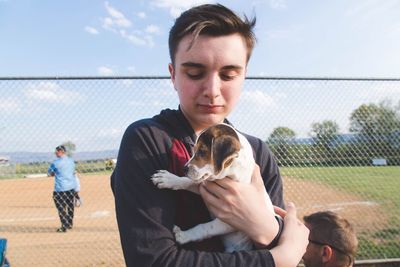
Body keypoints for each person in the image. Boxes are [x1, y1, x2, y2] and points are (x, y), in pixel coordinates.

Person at [111, 4, 309, 266]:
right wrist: (277, 258)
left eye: (228, 74)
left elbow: (277, 240)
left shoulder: (258, 152)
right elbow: (153, 261)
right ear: (173, 75)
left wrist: (264, 229)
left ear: (244, 76)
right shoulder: (148, 140)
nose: (212, 90)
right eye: (195, 73)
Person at [48, 145, 77, 232]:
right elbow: (72, 172)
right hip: (71, 187)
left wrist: (55, 173)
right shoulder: (71, 161)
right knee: (70, 206)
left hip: (60, 189)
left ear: (61, 152)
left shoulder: (55, 162)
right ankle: (69, 223)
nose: (55, 153)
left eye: (56, 151)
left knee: (61, 207)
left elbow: (50, 173)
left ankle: (64, 226)